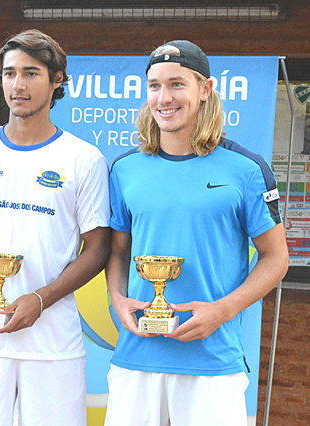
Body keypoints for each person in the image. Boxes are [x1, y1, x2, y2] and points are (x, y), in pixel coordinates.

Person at [105, 40, 289, 426]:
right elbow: (118, 252)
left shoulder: (246, 169)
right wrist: (117, 298)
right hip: (137, 356)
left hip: (213, 361)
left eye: (176, 84)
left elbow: (276, 258)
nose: (164, 97)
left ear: (205, 90)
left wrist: (222, 311)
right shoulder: (125, 169)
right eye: (154, 86)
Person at [0, 29, 111, 426]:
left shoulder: (83, 159)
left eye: (31, 73)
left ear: (57, 80)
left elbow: (98, 248)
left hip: (53, 341)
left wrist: (42, 298)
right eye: (9, 74)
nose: (17, 85)